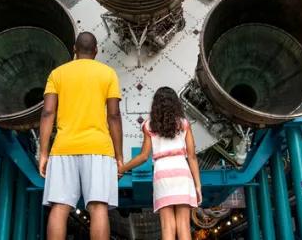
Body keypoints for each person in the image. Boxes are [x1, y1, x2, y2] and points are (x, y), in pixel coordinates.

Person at [39, 31, 123, 240]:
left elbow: (48, 112)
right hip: (99, 149)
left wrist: (43, 152)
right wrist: (119, 156)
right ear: (96, 51)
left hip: (63, 147)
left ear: (74, 49)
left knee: (59, 207)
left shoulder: (57, 74)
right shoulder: (108, 74)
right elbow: (113, 115)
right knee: (98, 207)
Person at [118, 87, 202, 240]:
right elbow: (192, 156)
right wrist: (197, 185)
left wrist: (123, 168)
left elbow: (144, 156)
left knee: (167, 225)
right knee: (183, 224)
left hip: (162, 174)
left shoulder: (149, 126)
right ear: (176, 104)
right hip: (182, 173)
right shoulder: (183, 124)